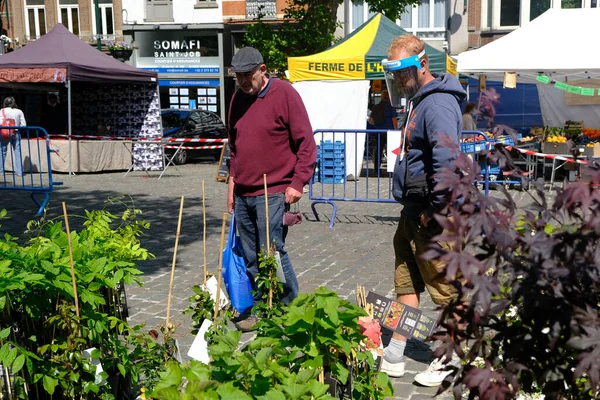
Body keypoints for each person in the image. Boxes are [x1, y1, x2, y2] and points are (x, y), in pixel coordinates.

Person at [380, 34, 467, 386]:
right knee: (406, 282)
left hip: (433, 216)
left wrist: (436, 208)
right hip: (412, 213)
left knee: (447, 292)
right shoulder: (418, 101)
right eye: (395, 75)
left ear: (422, 64)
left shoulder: (439, 104)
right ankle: (396, 351)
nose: (400, 81)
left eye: (403, 73)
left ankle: (450, 360)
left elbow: (447, 159)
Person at [226, 47, 317, 332]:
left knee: (272, 252)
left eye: (247, 76)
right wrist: (231, 184)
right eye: (238, 76)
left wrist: (298, 182)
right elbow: (235, 147)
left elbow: (306, 143)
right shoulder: (237, 99)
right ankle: (262, 308)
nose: (242, 82)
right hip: (244, 192)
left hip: (274, 189)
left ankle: (290, 309)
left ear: (262, 70)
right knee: (251, 256)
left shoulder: (285, 94)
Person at [368, 90, 398, 172]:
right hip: (389, 132)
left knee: (378, 151)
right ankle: (393, 168)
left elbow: (371, 120)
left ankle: (377, 169)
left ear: (381, 97)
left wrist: (377, 123)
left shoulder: (376, 107)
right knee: (392, 150)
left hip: (378, 131)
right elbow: (394, 121)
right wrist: (396, 131)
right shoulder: (391, 108)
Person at [0, 97, 26, 178]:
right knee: (17, 152)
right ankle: (19, 172)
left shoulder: (2, 111)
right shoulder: (19, 111)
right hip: (16, 132)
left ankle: (1, 171)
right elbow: (24, 125)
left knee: (2, 152)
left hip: (4, 133)